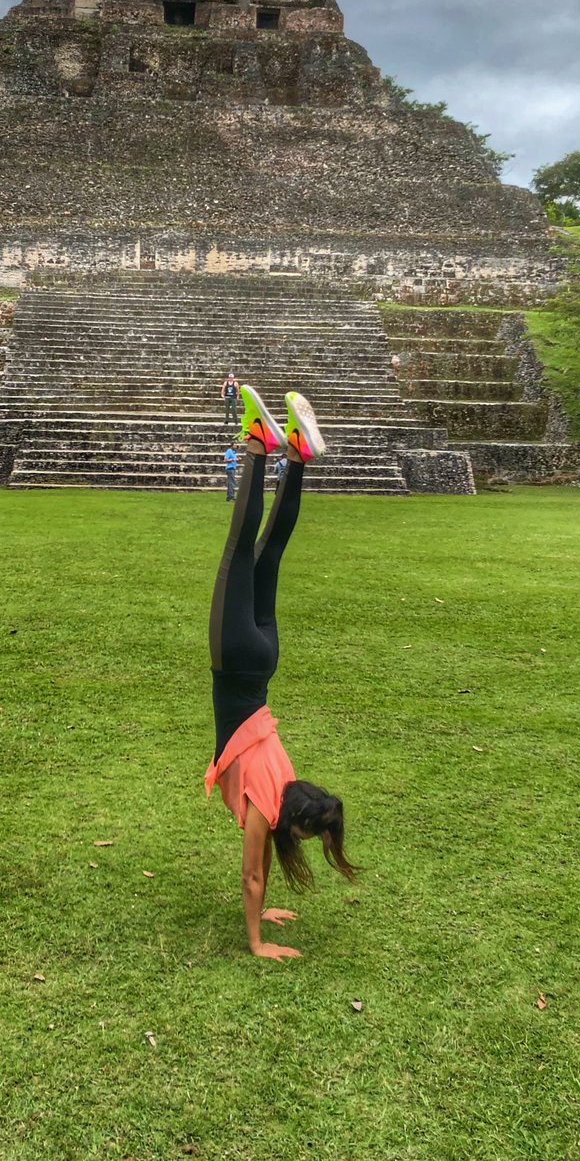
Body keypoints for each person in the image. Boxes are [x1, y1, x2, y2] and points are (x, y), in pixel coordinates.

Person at [206, 385, 356, 961]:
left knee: (269, 553)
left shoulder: (287, 779)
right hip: (238, 658)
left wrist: (265, 906)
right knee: (239, 551)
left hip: (266, 657)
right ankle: (257, 447)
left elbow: (262, 861)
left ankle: (294, 456)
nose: (303, 840)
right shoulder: (269, 807)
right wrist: (256, 940)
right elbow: (250, 872)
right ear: (293, 815)